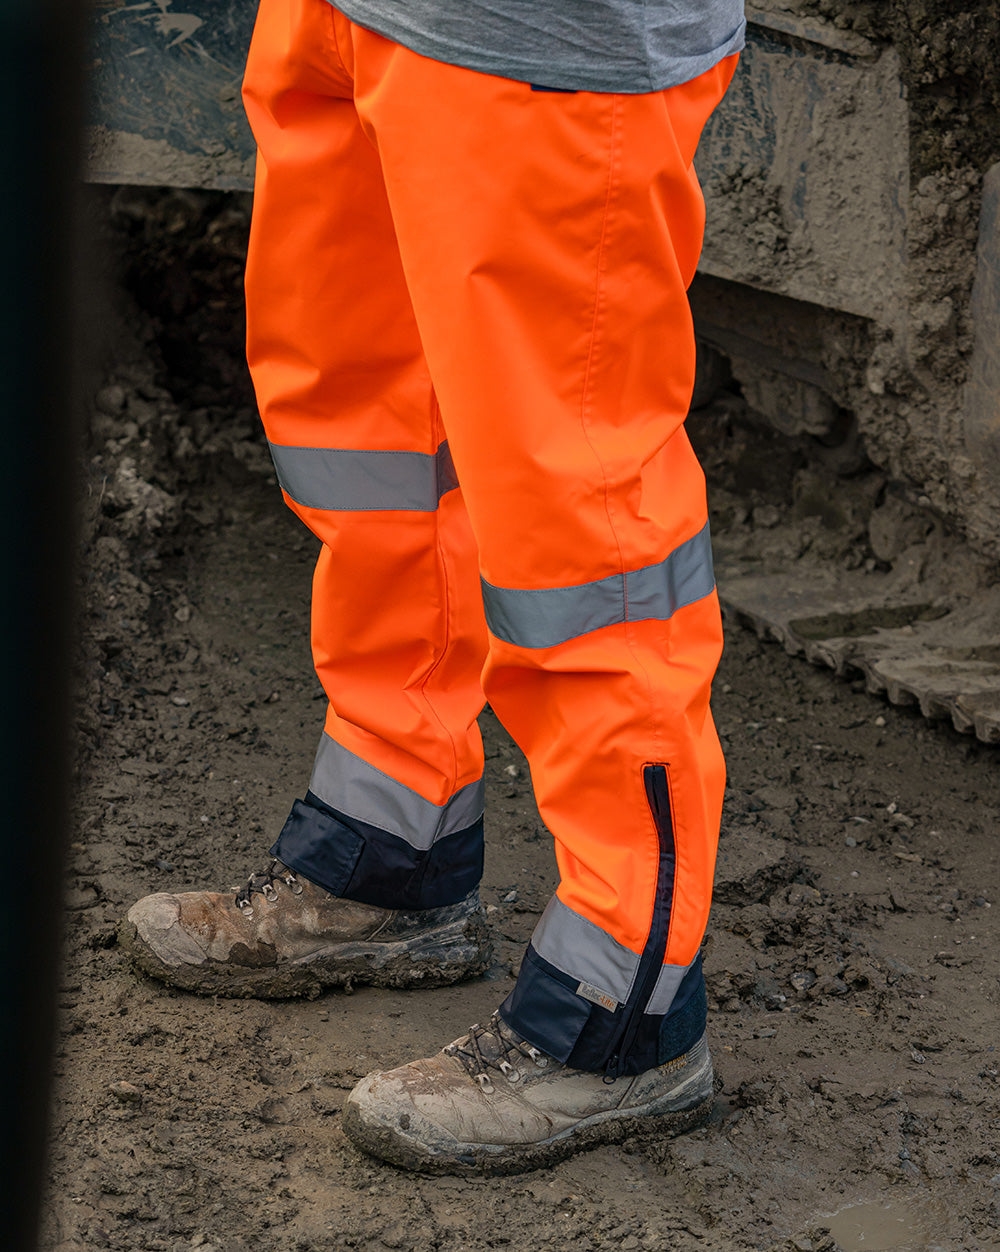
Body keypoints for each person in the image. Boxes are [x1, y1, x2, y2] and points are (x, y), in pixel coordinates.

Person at [120, 0, 745, 1175]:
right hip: (356, 16)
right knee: (373, 450)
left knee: (581, 528)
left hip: (548, 42)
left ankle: (624, 1009)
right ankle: (386, 847)